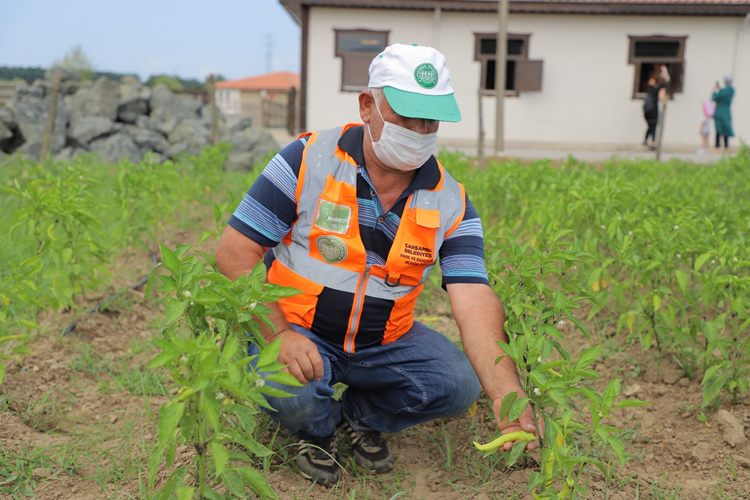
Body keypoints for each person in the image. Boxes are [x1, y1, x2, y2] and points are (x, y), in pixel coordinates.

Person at [214, 43, 541, 487]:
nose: (421, 130)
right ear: (368, 106)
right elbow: (234, 252)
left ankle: (357, 417)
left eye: (431, 119)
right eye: (407, 116)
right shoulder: (307, 158)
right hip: (299, 326)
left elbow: (474, 297)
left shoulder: (451, 201)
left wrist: (509, 398)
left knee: (456, 385)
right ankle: (316, 430)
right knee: (290, 393)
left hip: (384, 342)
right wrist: (280, 335)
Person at [642, 64, 670, 149]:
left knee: (649, 124)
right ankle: (654, 143)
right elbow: (661, 97)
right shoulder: (661, 87)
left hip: (646, 107)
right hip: (654, 107)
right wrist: (665, 74)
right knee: (653, 125)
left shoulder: (651, 82)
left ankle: (645, 140)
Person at [712, 75, 735, 153]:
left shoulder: (722, 91)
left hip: (719, 111)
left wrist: (715, 91)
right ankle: (726, 147)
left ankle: (717, 147)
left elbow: (714, 98)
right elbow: (725, 92)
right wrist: (721, 89)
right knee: (726, 129)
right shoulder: (732, 90)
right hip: (727, 112)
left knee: (718, 130)